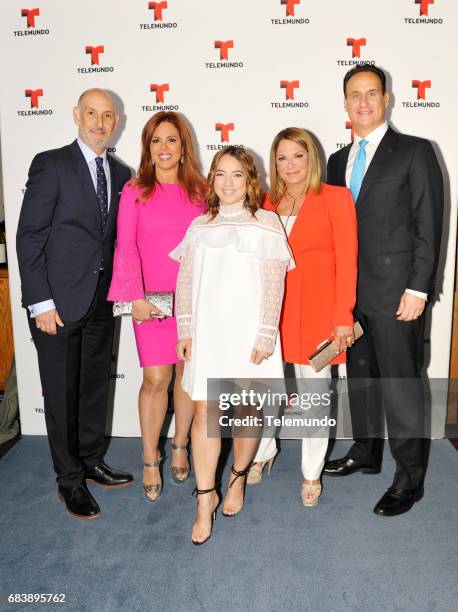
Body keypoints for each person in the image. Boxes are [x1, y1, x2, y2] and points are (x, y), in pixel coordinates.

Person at [324, 64, 443, 516]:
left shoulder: (414, 152)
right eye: (355, 94)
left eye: (372, 93)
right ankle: (366, 452)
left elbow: (429, 226)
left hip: (397, 296)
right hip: (350, 298)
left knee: (400, 387)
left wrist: (418, 288)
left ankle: (409, 479)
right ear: (345, 103)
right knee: (362, 380)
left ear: (387, 98)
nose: (364, 102)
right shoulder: (337, 161)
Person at [16, 88, 133, 520]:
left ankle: (91, 459)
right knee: (62, 393)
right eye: (91, 114)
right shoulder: (52, 164)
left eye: (107, 116)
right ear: (76, 115)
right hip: (57, 304)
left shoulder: (120, 173)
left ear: (116, 122)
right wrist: (40, 302)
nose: (99, 123)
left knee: (93, 388)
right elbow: (28, 236)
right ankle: (69, 482)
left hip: (102, 302)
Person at [170, 147, 293, 544]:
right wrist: (185, 330)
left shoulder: (268, 224)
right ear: (212, 180)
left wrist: (265, 335)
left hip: (247, 334)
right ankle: (205, 498)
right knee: (206, 409)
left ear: (249, 180)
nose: (227, 182)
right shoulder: (199, 225)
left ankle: (238, 476)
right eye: (220, 174)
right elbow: (184, 283)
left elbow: (276, 286)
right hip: (208, 331)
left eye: (236, 175)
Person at [248, 128, 358, 506]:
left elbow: (347, 261)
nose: (290, 165)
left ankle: (311, 473)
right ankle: (262, 452)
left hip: (318, 312)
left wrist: (342, 316)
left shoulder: (335, 198)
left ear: (311, 158)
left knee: (315, 397)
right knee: (266, 389)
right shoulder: (263, 202)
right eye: (282, 158)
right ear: (273, 163)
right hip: (272, 313)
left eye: (298, 156)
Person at [108, 112, 206, 502]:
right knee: (155, 380)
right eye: (156, 141)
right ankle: (151, 457)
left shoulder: (201, 190)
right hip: (149, 300)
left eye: (171, 140)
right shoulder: (136, 190)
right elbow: (126, 245)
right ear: (147, 148)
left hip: (193, 299)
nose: (164, 148)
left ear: (184, 147)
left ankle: (180, 443)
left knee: (186, 375)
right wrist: (135, 297)